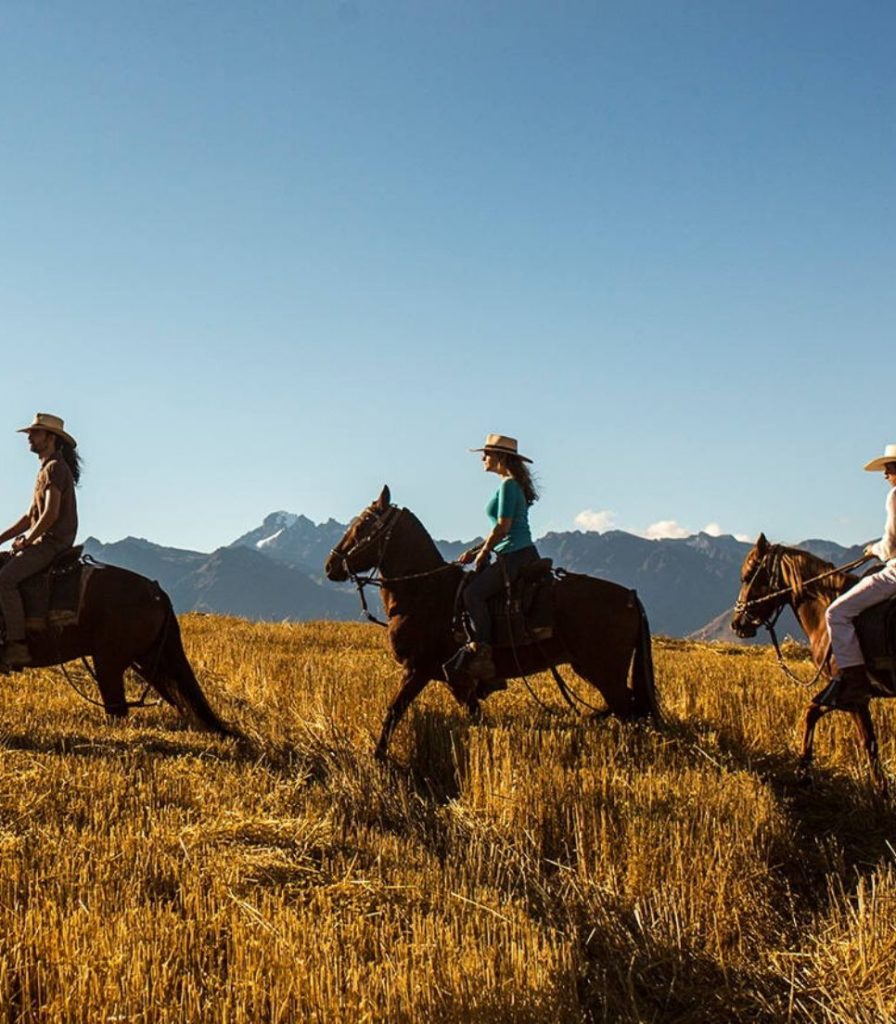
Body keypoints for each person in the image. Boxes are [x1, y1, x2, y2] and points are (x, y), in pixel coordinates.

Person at [0, 413, 81, 668]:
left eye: (35, 433)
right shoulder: (47, 468)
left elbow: (50, 514)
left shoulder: (55, 468)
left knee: (4, 580)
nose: (30, 438)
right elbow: (29, 516)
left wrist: (27, 540)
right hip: (44, 540)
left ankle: (16, 645)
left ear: (51, 438)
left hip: (51, 543)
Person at [458, 434, 540, 679]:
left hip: (514, 555)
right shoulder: (512, 484)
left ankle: (483, 654)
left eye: (487, 454)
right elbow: (503, 529)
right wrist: (475, 550)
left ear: (500, 457)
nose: (483, 458)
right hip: (517, 551)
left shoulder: (508, 485)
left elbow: (503, 527)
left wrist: (483, 552)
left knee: (472, 594)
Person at [820, 442, 896, 707]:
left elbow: (889, 547)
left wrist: (873, 549)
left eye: (888, 469)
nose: (886, 476)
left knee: (836, 613)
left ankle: (855, 682)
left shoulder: (895, 496)